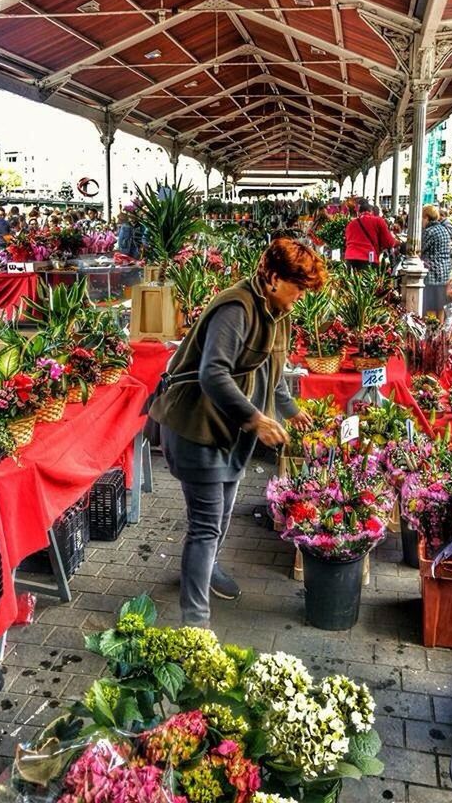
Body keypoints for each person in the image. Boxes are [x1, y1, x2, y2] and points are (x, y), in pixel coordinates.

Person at [150, 238, 325, 627]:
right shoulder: (237, 308)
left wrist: (289, 410)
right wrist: (255, 419)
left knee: (223, 514)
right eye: (299, 288)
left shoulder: (277, 310)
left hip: (228, 431)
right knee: (206, 524)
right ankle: (194, 624)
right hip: (198, 427)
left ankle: (207, 569)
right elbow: (214, 373)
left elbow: (271, 366)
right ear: (275, 278)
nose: (301, 297)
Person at [344, 199, 398, 269]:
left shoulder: (350, 224)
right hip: (368, 258)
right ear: (371, 211)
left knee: (351, 279)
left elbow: (347, 241)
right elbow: (389, 243)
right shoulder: (378, 221)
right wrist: (398, 243)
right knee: (369, 279)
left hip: (350, 258)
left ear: (359, 212)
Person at [421, 205, 452, 322]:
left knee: (430, 306)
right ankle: (440, 332)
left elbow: (420, 249)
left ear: (426, 217)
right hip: (444, 272)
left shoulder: (429, 231)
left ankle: (432, 332)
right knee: (440, 306)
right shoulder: (444, 229)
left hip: (432, 273)